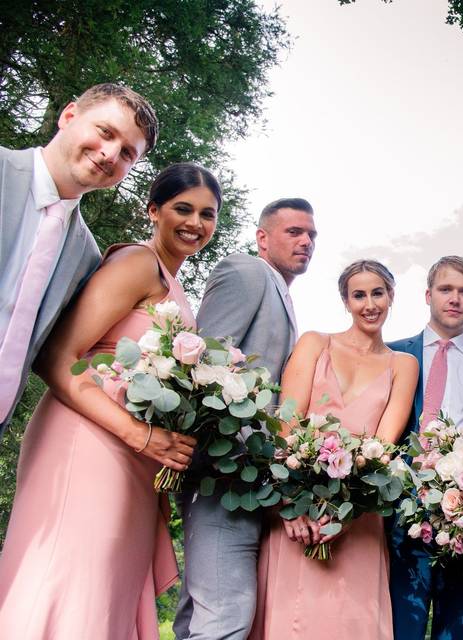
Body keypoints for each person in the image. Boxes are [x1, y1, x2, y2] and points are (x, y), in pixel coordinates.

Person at [0, 163, 220, 639]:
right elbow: (58, 358)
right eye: (183, 208)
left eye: (207, 214)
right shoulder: (137, 263)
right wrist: (143, 436)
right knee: (72, 578)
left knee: (107, 588)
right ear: (153, 210)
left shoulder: (174, 284)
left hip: (139, 456)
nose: (195, 223)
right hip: (89, 442)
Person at [251, 259, 419, 640]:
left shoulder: (403, 364)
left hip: (357, 516)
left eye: (378, 293)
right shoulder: (315, 342)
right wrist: (289, 505)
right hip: (299, 511)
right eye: (358, 295)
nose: (369, 304)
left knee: (352, 621)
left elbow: (383, 447)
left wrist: (346, 512)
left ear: (391, 296)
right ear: (345, 301)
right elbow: (286, 425)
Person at [174, 198, 317, 640]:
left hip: (250, 483)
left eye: (312, 235)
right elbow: (206, 375)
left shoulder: (283, 296)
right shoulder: (245, 271)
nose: (306, 242)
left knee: (201, 615)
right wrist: (255, 476)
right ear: (262, 238)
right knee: (226, 616)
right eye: (294, 231)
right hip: (225, 476)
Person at [0, 82, 158, 435]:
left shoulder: (85, 255)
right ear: (69, 115)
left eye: (128, 153)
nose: (110, 154)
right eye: (105, 132)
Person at [387, 256, 463, 640]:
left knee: (460, 628)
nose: (455, 298)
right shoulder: (392, 354)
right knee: (398, 628)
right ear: (428, 295)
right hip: (397, 519)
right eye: (446, 289)